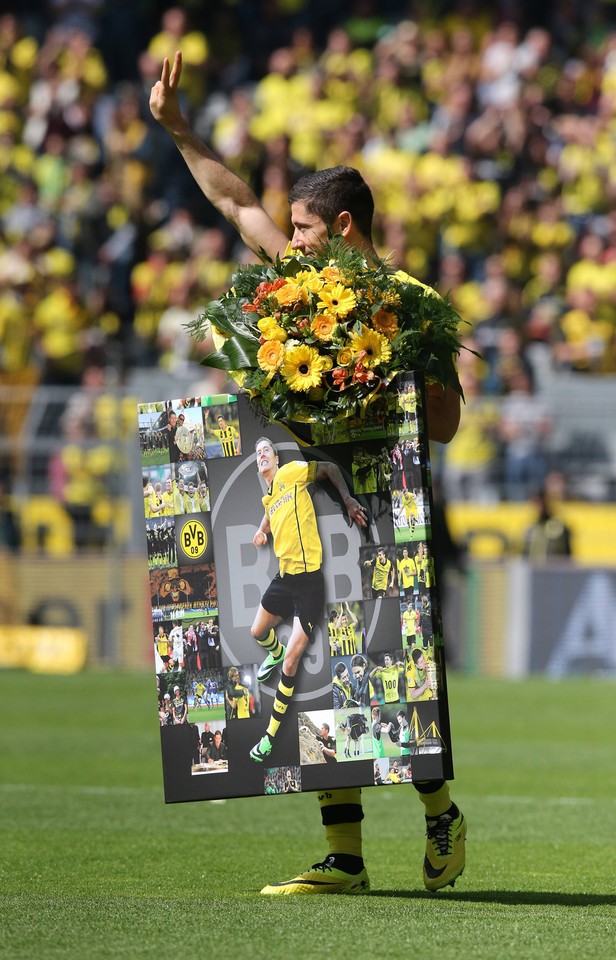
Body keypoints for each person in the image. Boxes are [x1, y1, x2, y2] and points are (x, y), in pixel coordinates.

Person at [150, 50, 465, 896]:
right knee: (321, 664)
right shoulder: (293, 292)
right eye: (291, 231)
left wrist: (392, 378)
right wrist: (177, 126)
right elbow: (234, 200)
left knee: (392, 668)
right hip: (305, 501)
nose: (286, 242)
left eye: (302, 231)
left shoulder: (412, 306)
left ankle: (440, 815)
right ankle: (345, 859)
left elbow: (444, 424)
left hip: (380, 505)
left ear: (345, 231)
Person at [249, 435, 367, 761]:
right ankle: (271, 653)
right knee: (257, 632)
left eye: (266, 451)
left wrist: (346, 500)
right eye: (258, 452)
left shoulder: (291, 473)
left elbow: (328, 467)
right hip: (284, 580)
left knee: (291, 661)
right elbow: (270, 513)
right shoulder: (270, 496)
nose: (262, 455)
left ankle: (269, 738)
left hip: (309, 585)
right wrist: (262, 531)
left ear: (275, 458)